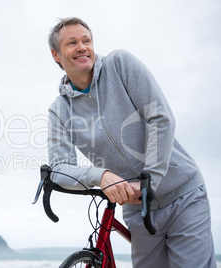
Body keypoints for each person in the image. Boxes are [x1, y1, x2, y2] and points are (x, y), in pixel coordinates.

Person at [47, 17, 216, 267]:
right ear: (57, 55)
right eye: (72, 43)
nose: (82, 47)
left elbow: (161, 117)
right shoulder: (60, 110)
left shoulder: (119, 65)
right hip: (138, 211)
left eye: (87, 40)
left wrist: (151, 181)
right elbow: (59, 167)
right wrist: (99, 175)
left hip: (183, 194)